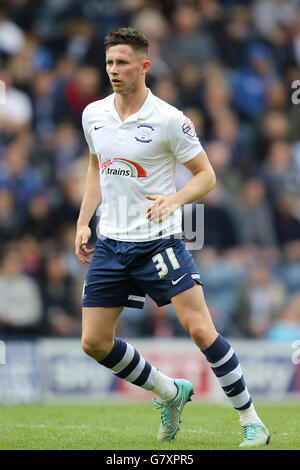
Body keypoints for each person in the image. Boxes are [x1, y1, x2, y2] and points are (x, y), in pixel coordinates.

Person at [75, 27, 270, 447]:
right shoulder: (94, 114)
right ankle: (169, 391)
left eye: (122, 62)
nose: (113, 70)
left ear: (144, 66)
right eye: (109, 62)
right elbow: (96, 166)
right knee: (93, 342)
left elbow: (207, 175)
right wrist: (83, 220)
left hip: (159, 242)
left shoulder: (169, 120)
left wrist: (174, 200)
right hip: (110, 241)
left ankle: (252, 420)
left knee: (201, 330)